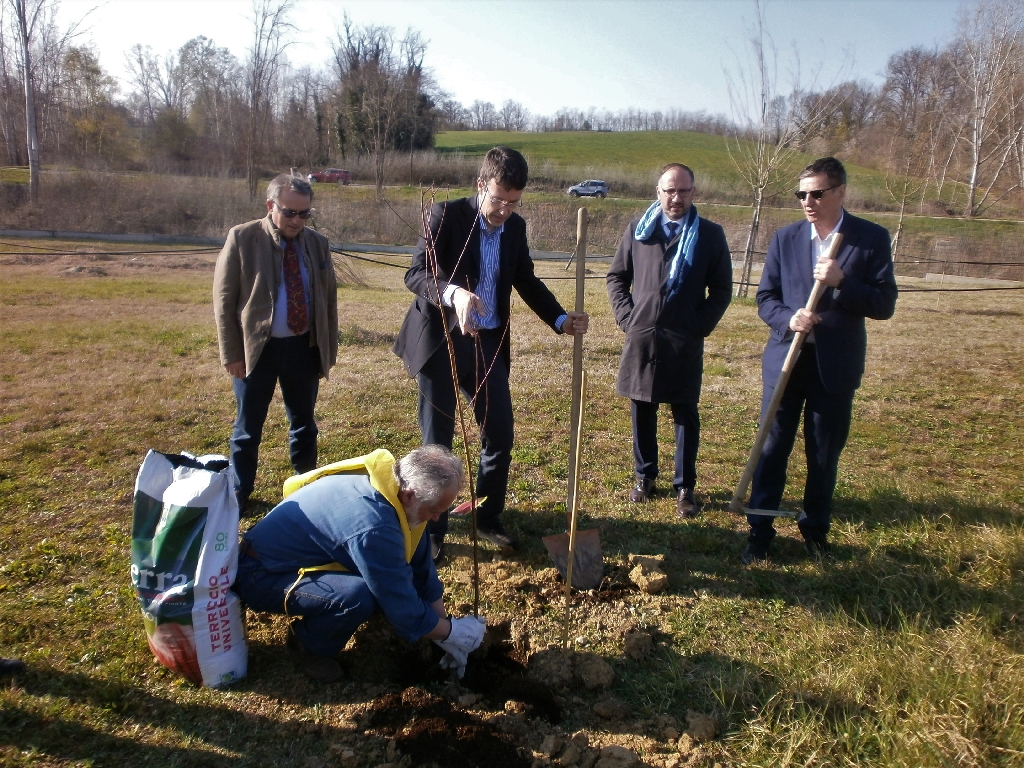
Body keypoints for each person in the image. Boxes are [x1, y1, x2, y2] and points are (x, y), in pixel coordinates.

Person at [393, 146, 589, 561]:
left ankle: (487, 516)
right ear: (481, 184)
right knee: (438, 443)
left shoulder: (515, 229)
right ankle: (433, 529)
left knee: (499, 433)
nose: (503, 210)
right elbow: (416, 273)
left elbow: (526, 281)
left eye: (513, 203)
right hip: (441, 341)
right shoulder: (445, 215)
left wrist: (559, 319)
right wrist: (454, 294)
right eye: (498, 199)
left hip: (488, 344)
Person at [743, 157, 897, 565]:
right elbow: (766, 298)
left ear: (841, 192)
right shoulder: (785, 238)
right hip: (786, 362)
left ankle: (814, 532)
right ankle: (759, 533)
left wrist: (842, 283)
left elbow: (883, 304)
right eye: (801, 194)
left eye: (817, 193)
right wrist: (789, 318)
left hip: (834, 366)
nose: (807, 202)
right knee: (771, 448)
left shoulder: (869, 239)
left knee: (823, 454)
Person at [233, 445, 486, 682]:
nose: (436, 518)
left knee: (378, 587)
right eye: (434, 511)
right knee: (359, 596)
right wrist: (450, 632)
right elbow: (397, 600)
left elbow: (422, 569)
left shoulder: (395, 493)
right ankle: (307, 646)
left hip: (292, 560)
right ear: (410, 495)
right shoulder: (374, 525)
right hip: (260, 573)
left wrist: (444, 628)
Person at [606, 163, 732, 516]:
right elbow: (617, 277)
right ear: (658, 192)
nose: (676, 198)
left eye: (683, 191)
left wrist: (698, 325)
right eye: (669, 191)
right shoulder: (639, 231)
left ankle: (685, 487)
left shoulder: (709, 235)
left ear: (694, 192)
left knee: (684, 415)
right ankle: (644, 477)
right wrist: (628, 318)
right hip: (642, 336)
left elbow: (722, 289)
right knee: (641, 409)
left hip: (683, 340)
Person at [213, 174, 338, 512]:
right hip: (257, 352)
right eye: (289, 212)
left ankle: (305, 484)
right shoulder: (242, 238)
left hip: (303, 349)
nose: (297, 220)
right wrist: (232, 354)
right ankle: (239, 492)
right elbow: (224, 302)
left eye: (304, 214)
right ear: (270, 206)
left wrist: (328, 348)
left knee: (304, 425)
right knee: (247, 428)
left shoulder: (317, 244)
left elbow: (328, 299)